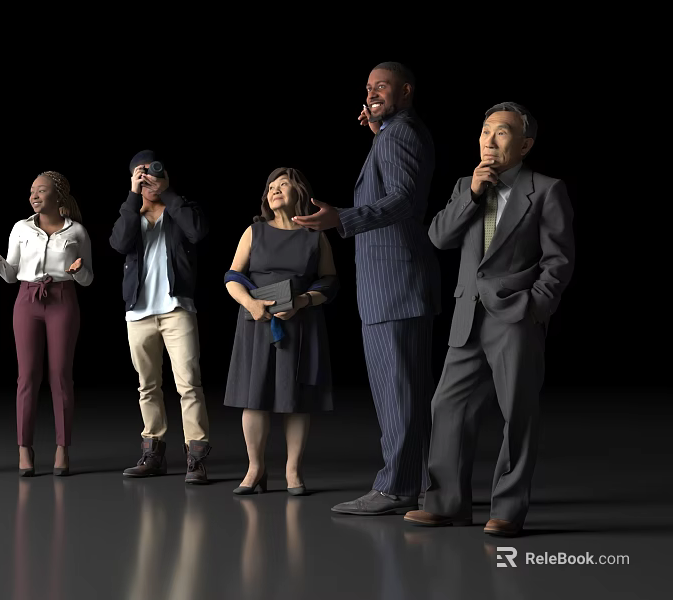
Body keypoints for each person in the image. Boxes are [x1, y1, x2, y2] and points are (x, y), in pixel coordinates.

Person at [405, 102, 575, 537]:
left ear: (525, 143)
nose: (489, 140)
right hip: (467, 315)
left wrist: (536, 307)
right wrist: (473, 194)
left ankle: (508, 511)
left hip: (515, 318)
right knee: (447, 407)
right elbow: (438, 237)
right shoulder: (467, 184)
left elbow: (559, 261)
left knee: (517, 413)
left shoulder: (546, 189)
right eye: (484, 132)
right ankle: (446, 504)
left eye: (501, 133)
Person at [293, 62, 441, 515]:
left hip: (393, 285)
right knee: (407, 392)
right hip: (400, 283)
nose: (372, 91)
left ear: (407, 90)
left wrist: (342, 217)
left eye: (383, 86)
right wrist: (378, 130)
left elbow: (403, 199)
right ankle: (415, 483)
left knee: (397, 392)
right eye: (369, 87)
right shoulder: (394, 132)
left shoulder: (400, 134)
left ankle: (396, 488)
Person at [0, 171, 92, 476]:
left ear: (58, 196)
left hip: (63, 299)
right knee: (27, 377)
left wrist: (77, 271)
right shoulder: (21, 228)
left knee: (60, 376)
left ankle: (62, 448)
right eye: (32, 191)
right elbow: (11, 275)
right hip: (26, 301)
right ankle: (25, 447)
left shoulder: (77, 232)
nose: (34, 196)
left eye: (41, 191)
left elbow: (88, 279)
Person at [223, 167, 338, 496]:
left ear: (298, 193)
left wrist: (302, 301)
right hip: (256, 322)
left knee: (296, 399)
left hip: (301, 323)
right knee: (254, 397)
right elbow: (232, 275)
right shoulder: (253, 231)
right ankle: (255, 469)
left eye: (282, 185)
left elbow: (330, 282)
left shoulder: (316, 236)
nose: (274, 190)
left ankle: (292, 472)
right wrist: (251, 304)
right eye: (270, 187)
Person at [109, 150, 212, 484]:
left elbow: (197, 232)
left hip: (177, 309)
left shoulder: (183, 209)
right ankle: (152, 454)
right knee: (147, 386)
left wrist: (167, 192)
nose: (149, 177)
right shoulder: (131, 213)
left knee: (189, 384)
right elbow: (119, 242)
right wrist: (132, 196)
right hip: (139, 312)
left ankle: (196, 458)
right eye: (142, 174)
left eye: (154, 172)